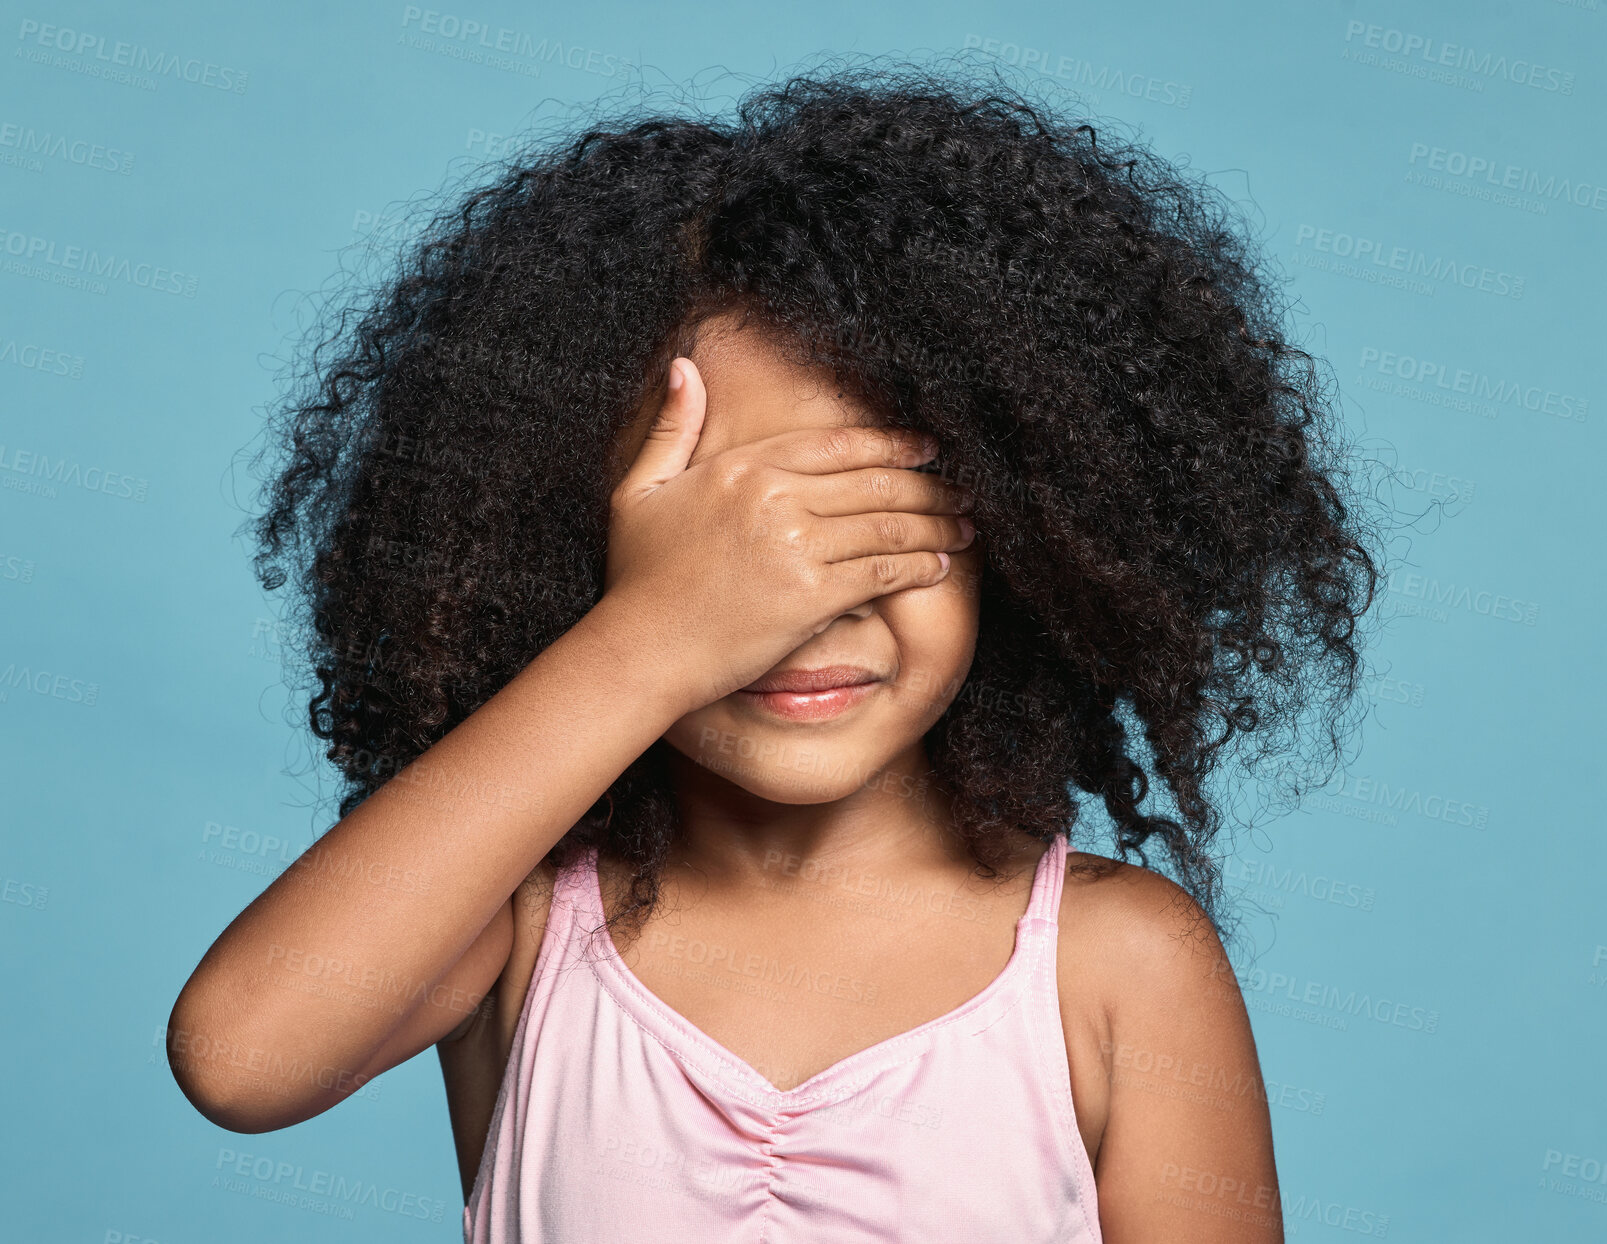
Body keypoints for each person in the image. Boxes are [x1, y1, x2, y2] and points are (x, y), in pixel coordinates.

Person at [168, 58, 1382, 1243]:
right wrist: (654, 635)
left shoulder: (1117, 961)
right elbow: (243, 1058)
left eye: (869, 524)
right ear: (559, 539)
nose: (793, 607)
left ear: (1026, 530)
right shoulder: (521, 922)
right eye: (723, 544)